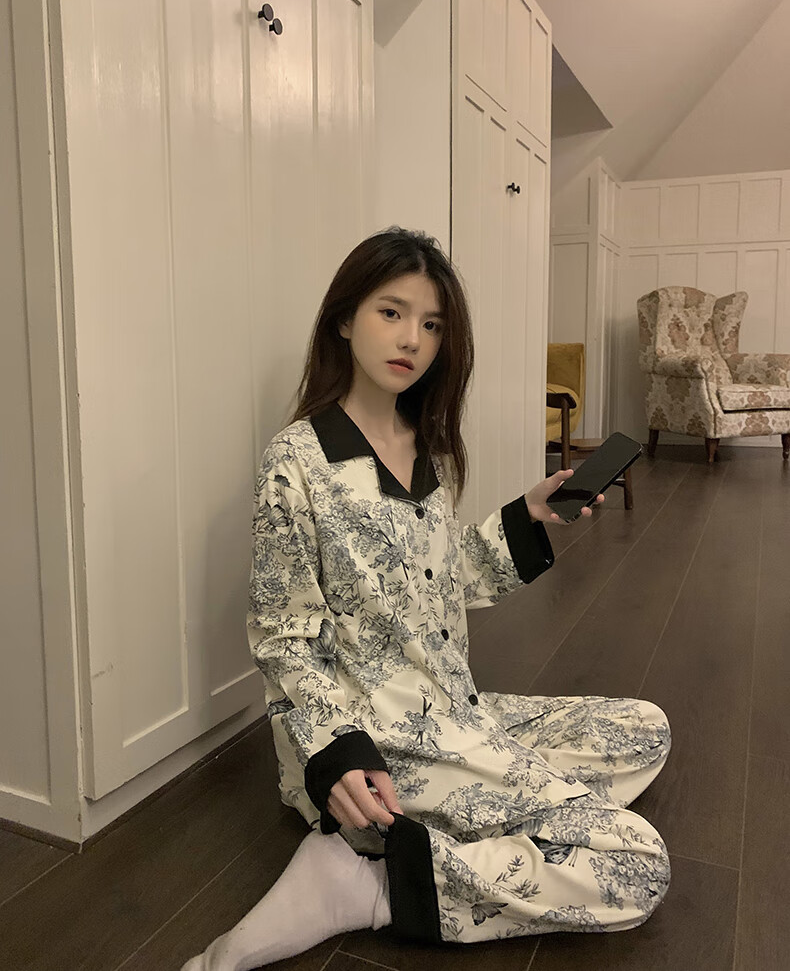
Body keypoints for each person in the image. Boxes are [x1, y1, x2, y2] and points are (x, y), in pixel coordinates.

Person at [182, 228, 671, 971]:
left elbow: (442, 582)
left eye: (433, 324)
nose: (413, 338)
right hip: (370, 744)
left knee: (644, 730)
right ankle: (371, 883)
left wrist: (529, 516)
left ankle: (475, 818)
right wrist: (337, 755)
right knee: (637, 862)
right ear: (344, 320)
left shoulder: (428, 448)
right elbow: (285, 638)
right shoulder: (298, 461)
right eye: (392, 312)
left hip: (451, 710)